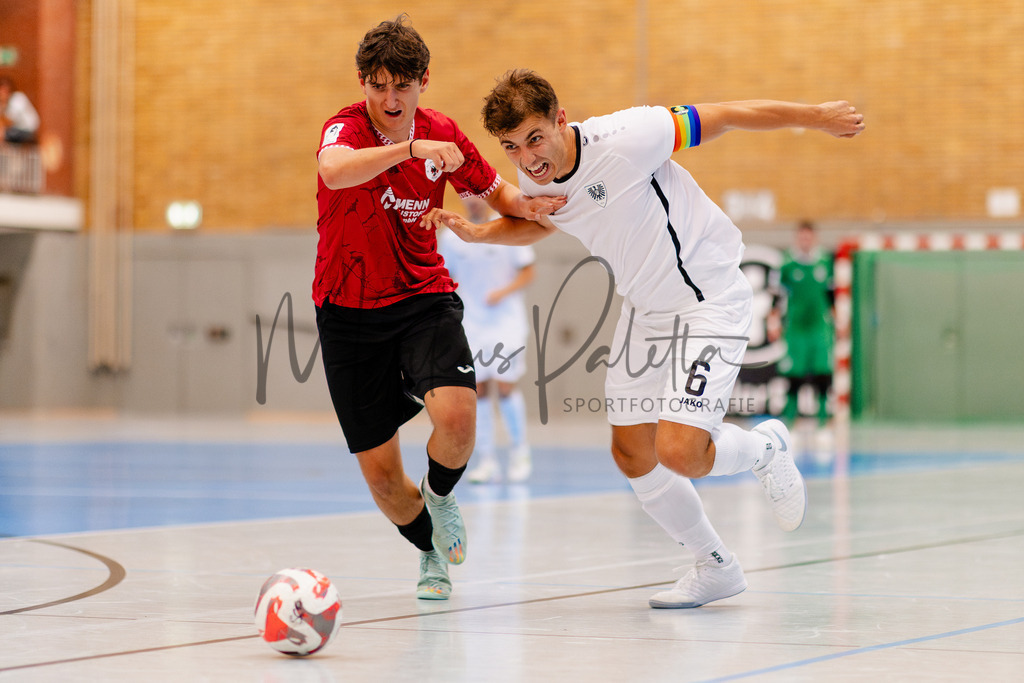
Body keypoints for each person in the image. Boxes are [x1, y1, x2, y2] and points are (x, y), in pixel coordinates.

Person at [422, 69, 864, 609]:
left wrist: (815, 117)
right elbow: (544, 221)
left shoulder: (632, 135)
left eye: (535, 138)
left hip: (708, 300)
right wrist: (480, 232)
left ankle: (765, 448)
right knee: (632, 451)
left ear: (561, 120)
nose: (528, 159)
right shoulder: (537, 177)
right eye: (512, 148)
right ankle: (714, 565)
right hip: (645, 310)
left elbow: (724, 114)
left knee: (679, 450)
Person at [314, 23, 563, 601]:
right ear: (363, 83)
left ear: (424, 82)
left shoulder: (444, 134)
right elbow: (334, 169)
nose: (391, 101)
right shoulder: (345, 127)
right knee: (381, 479)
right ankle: (430, 554)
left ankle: (443, 493)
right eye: (378, 87)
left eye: (403, 86)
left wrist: (528, 205)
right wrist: (408, 149)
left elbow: (495, 190)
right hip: (346, 313)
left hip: (423, 298)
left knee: (458, 419)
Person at [439, 196, 536, 484]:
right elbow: (448, 275)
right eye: (465, 196)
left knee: (505, 385)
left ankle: (520, 452)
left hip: (506, 321)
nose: (472, 201)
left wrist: (502, 293)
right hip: (471, 324)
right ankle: (487, 459)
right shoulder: (452, 235)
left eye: (476, 195)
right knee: (477, 389)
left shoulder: (508, 227)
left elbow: (528, 271)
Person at [770, 220, 835, 425]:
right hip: (796, 328)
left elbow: (830, 293)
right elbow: (777, 296)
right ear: (798, 238)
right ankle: (790, 420)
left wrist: (838, 320)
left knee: (822, 371)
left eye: (809, 237)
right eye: (802, 237)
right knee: (794, 373)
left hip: (819, 326)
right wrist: (774, 320)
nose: (805, 240)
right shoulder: (787, 265)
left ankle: (823, 420)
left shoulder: (824, 262)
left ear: (814, 238)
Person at [0, 77, 40, 144]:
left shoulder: (18, 98)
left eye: (5, 90)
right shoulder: (3, 103)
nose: (3, 93)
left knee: (5, 133)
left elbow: (9, 121)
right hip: (15, 129)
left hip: (27, 131)